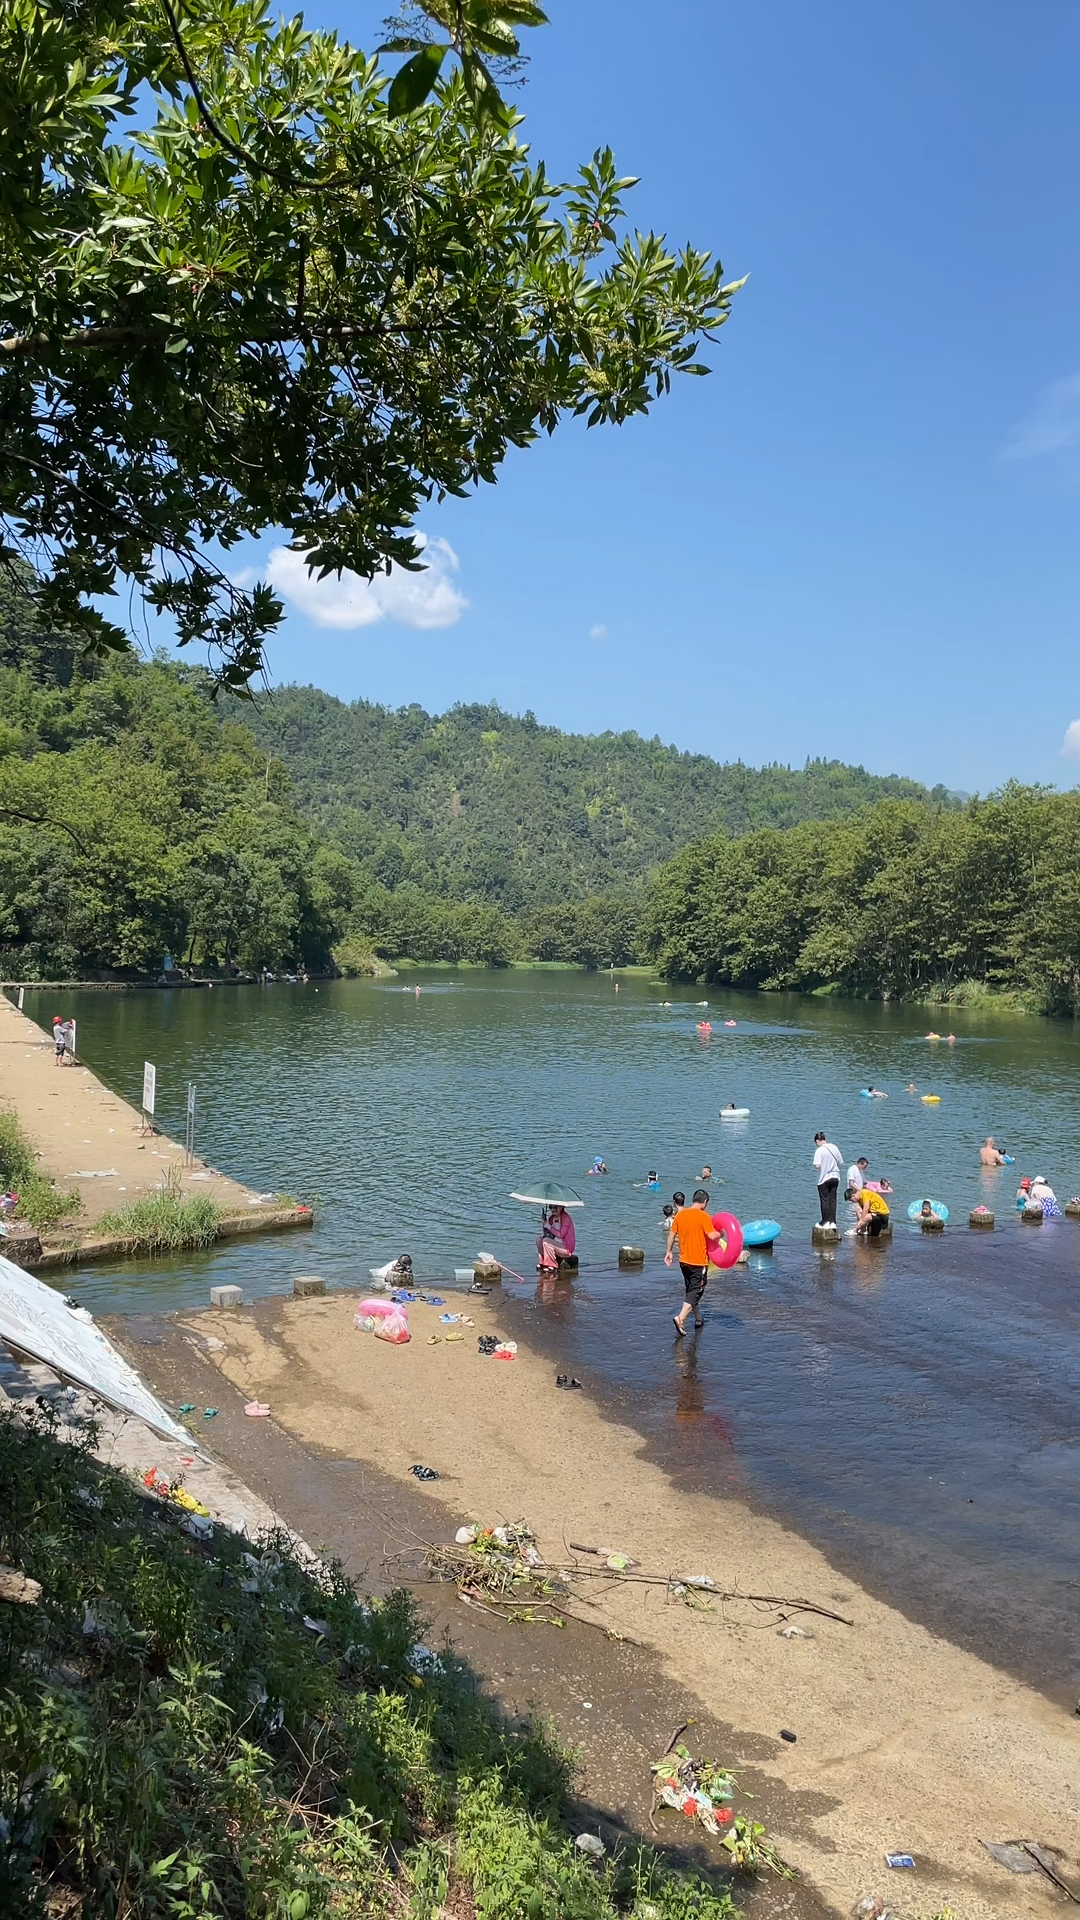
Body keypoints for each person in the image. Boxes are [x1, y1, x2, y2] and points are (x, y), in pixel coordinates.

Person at [664, 1188, 716, 1335]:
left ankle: (698, 1317)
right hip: (698, 1261)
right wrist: (722, 1233)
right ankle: (680, 1318)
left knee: (691, 1290)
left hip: (683, 1260)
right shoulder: (704, 1216)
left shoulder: (680, 1215)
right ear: (705, 1202)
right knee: (696, 1290)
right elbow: (712, 1236)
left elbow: (672, 1234)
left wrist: (668, 1252)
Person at [812, 1131, 843, 1225]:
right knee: (833, 1200)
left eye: (816, 1143)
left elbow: (817, 1165)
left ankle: (825, 1221)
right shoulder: (834, 1147)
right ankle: (833, 1221)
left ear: (818, 1141)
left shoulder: (820, 1150)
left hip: (825, 1178)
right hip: (835, 1177)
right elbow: (840, 1161)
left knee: (825, 1200)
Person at [537, 1204, 576, 1272]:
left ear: (561, 1207)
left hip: (566, 1248)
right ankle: (543, 1262)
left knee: (546, 1241)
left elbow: (561, 1234)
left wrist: (548, 1226)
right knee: (539, 1240)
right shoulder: (552, 1218)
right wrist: (544, 1223)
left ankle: (551, 1265)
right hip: (556, 1244)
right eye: (550, 1207)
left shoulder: (566, 1218)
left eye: (555, 1207)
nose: (552, 1209)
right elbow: (546, 1232)